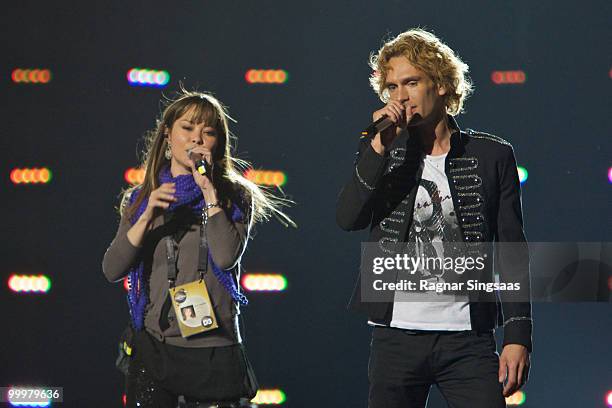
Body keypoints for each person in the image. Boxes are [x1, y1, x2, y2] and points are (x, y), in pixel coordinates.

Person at [336, 28, 532, 408]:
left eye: (411, 82)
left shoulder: (493, 155)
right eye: (391, 87)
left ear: (441, 84)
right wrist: (377, 148)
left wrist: (517, 334)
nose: (400, 97)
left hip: (468, 339)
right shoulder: (382, 151)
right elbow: (348, 218)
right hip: (396, 338)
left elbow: (512, 249)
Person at [103, 89, 293, 407]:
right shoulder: (141, 198)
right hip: (155, 346)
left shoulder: (234, 197)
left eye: (208, 132)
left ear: (218, 142)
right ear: (167, 135)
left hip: (212, 349)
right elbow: (112, 270)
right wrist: (147, 216)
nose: (197, 139)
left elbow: (225, 256)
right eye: (188, 129)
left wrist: (209, 193)